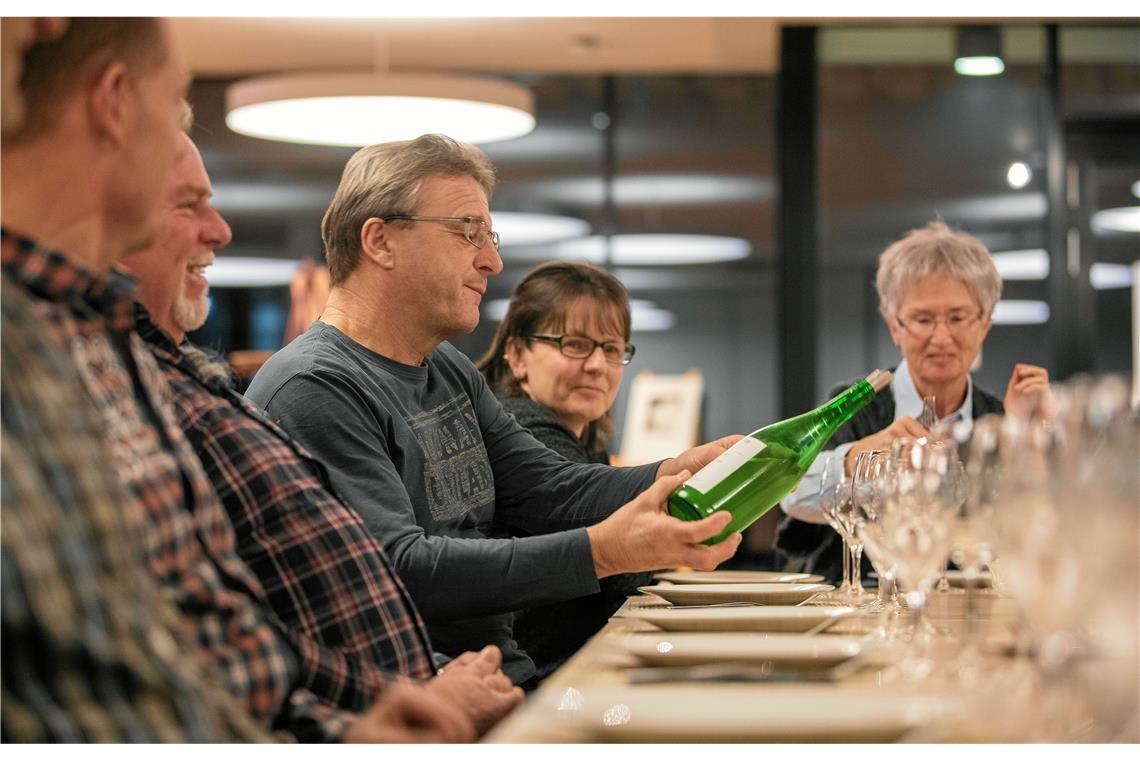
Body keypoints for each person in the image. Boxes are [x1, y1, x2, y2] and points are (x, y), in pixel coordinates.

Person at [1, 19, 471, 742]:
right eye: (175, 103)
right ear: (116, 103)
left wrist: (341, 734)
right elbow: (84, 696)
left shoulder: (98, 331)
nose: (219, 231)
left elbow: (194, 643)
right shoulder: (38, 337)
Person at [246, 134, 743, 688]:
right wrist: (603, 551)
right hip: (420, 708)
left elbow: (550, 489)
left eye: (490, 236)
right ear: (380, 241)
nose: (492, 259)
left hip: (503, 685)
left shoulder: (448, 370)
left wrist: (675, 472)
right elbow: (400, 569)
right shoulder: (314, 387)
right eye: (467, 233)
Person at [118, 132, 523, 736]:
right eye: (186, 204)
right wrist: (394, 702)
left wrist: (417, 689)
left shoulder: (170, 384)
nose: (221, 230)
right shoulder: (305, 387)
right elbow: (188, 648)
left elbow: (250, 633)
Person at [775, 221, 1053, 583]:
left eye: (957, 318)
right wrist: (859, 457)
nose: (941, 337)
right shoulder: (854, 405)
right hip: (855, 613)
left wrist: (1029, 436)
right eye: (923, 319)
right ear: (895, 326)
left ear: (984, 324)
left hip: (968, 610)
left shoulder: (999, 419)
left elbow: (1038, 529)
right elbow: (791, 495)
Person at [474, 259, 653, 680]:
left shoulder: (586, 440)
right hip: (534, 686)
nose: (597, 365)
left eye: (611, 349)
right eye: (574, 344)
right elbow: (629, 564)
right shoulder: (523, 428)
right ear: (517, 354)